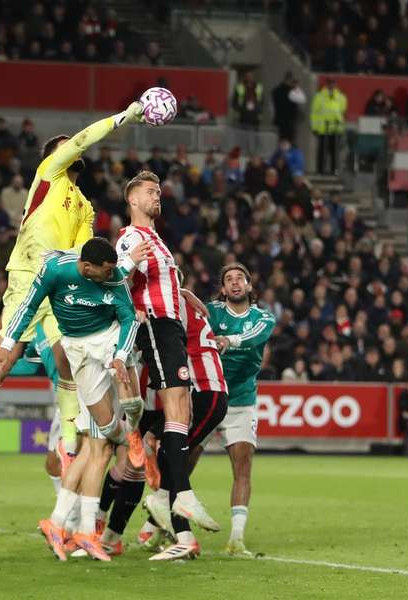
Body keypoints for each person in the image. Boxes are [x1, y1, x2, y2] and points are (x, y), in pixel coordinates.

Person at [0, 100, 146, 485]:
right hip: (27, 274)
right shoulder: (48, 174)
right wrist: (126, 116)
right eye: (65, 145)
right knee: (7, 357)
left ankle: (68, 444)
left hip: (57, 283)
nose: (71, 147)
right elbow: (83, 139)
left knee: (66, 360)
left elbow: (82, 255)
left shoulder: (85, 207)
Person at [0, 238, 140, 561]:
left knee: (97, 448)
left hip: (108, 340)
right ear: (86, 267)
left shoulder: (113, 275)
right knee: (98, 447)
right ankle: (76, 525)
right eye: (105, 270)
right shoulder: (55, 271)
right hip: (78, 354)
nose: (112, 274)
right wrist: (6, 344)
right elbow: (27, 306)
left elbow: (129, 318)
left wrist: (120, 355)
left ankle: (69, 525)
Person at [117, 170, 220, 534]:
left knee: (181, 410)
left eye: (159, 191)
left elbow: (159, 280)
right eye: (150, 191)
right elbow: (115, 282)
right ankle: (178, 495)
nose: (157, 196)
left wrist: (184, 292)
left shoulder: (156, 239)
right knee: (176, 405)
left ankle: (175, 496)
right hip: (156, 326)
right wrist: (132, 307)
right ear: (132, 199)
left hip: (170, 326)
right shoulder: (131, 238)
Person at [133, 271, 229, 561]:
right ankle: (172, 528)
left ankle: (169, 522)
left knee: (174, 454)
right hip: (205, 390)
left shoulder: (175, 304)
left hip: (204, 390)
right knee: (170, 452)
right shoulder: (182, 302)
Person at [201, 262, 275, 556]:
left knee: (242, 468)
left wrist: (228, 340)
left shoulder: (263, 318)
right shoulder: (211, 312)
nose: (234, 282)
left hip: (242, 402)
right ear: (222, 288)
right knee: (184, 462)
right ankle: (157, 526)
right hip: (209, 397)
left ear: (249, 285)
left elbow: (254, 335)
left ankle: (236, 538)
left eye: (240, 278)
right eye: (229, 279)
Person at [310, 78, 347, 174]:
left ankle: (334, 170)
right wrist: (314, 127)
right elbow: (314, 113)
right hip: (323, 128)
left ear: (336, 84)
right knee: (322, 151)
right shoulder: (319, 96)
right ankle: (320, 170)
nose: (331, 85)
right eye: (330, 83)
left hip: (336, 128)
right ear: (326, 84)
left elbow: (342, 112)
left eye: (333, 83)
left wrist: (341, 127)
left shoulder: (341, 97)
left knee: (335, 151)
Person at [271, 71, 306, 143]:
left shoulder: (275, 91)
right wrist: (296, 87)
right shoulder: (292, 92)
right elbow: (302, 99)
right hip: (290, 123)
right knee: (290, 143)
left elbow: (271, 107)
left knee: (280, 143)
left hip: (279, 122)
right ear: (290, 80)